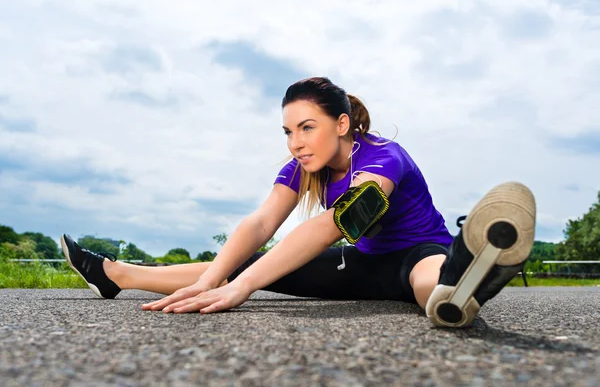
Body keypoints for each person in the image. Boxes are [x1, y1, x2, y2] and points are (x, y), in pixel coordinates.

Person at [60, 77, 536, 328]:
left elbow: (335, 223)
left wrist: (240, 288)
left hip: (417, 255)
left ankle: (460, 285)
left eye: (307, 127)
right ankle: (115, 275)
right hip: (361, 265)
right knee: (244, 263)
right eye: (288, 131)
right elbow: (260, 224)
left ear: (342, 124)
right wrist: (213, 280)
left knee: (424, 280)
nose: (296, 142)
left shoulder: (384, 158)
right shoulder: (301, 167)